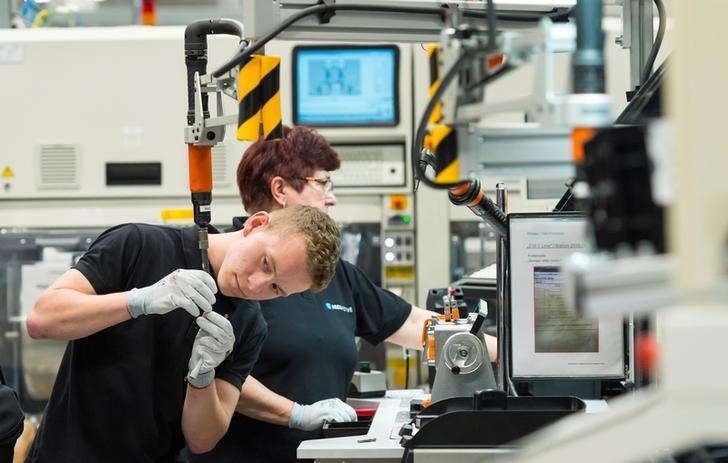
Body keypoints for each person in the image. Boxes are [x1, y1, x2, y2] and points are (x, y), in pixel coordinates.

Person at [189, 125, 498, 463]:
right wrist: (296, 413)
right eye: (322, 183)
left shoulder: (337, 275)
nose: (331, 197)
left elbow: (411, 323)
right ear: (280, 189)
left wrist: (507, 348)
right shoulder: (229, 274)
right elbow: (217, 376)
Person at [24, 205, 341, 463]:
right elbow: (41, 319)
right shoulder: (140, 245)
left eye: (275, 289)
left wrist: (202, 378)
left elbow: (202, 440)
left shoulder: (248, 325)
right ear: (256, 223)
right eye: (265, 263)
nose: (256, 284)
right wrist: (139, 300)